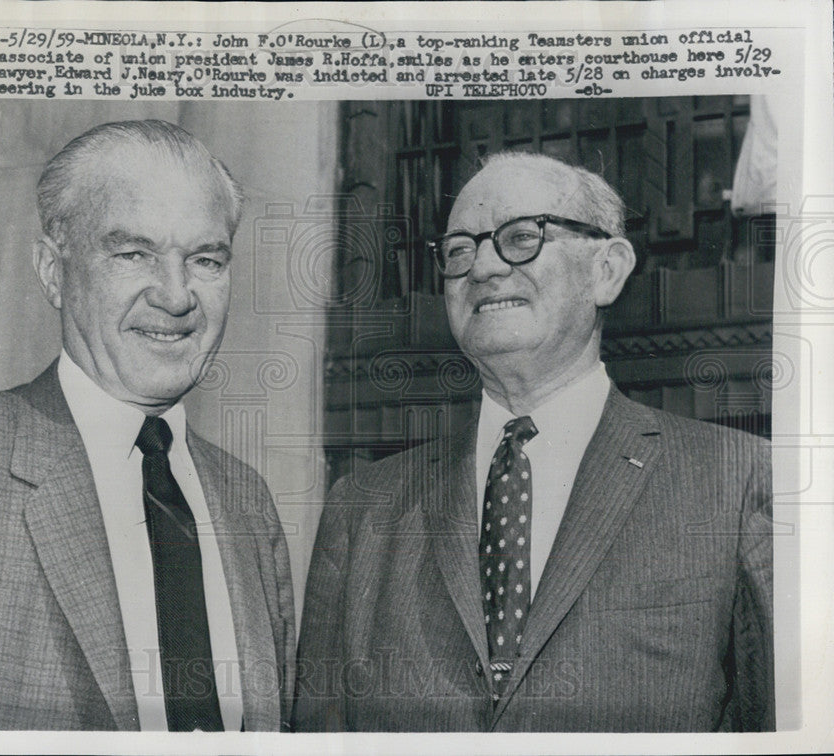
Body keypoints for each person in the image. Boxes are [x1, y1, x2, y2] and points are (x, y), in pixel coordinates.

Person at [293, 152, 773, 732]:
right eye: (459, 249)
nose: (484, 267)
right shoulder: (361, 509)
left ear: (607, 270)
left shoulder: (736, 480)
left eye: (521, 237)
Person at [0, 120, 295, 731]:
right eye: (134, 254)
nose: (177, 296)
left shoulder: (248, 501)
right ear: (53, 271)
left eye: (206, 260)